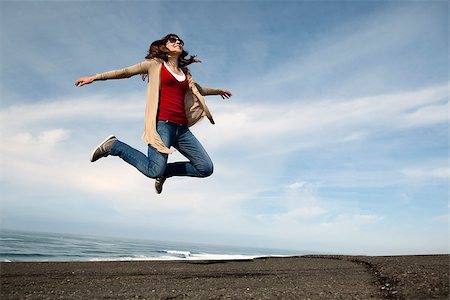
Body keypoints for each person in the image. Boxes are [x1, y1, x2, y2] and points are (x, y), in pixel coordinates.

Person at [75, 34, 232, 194]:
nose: (178, 42)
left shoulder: (185, 74)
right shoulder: (154, 65)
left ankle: (166, 173)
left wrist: (217, 91)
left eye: (180, 41)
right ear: (164, 45)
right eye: (173, 40)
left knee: (205, 168)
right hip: (162, 125)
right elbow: (125, 72)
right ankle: (114, 146)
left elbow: (199, 90)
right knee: (153, 170)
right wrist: (95, 77)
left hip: (182, 130)